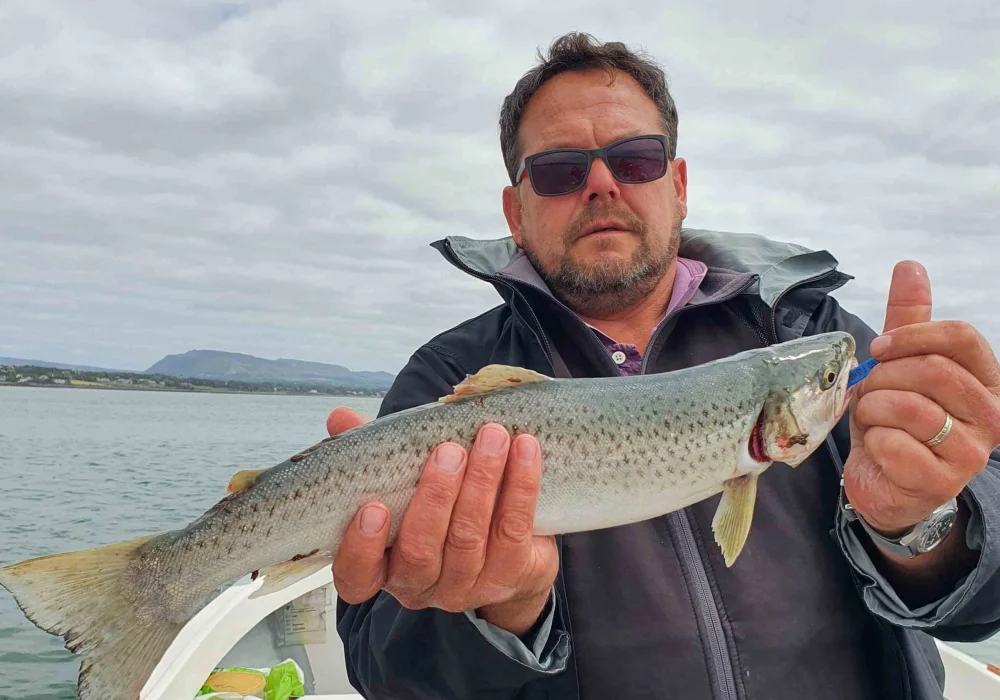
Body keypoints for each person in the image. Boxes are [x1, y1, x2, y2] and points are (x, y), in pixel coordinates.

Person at [328, 33, 1000, 699]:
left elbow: (985, 593)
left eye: (636, 159)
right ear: (516, 211)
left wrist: (925, 522)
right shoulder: (448, 378)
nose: (600, 184)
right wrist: (499, 615)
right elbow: (383, 667)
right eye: (561, 170)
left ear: (677, 185)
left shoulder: (807, 333)